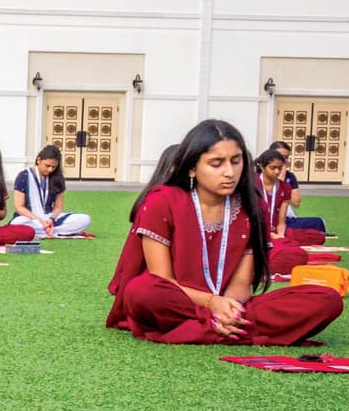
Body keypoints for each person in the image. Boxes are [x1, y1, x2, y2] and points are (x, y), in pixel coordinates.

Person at [107, 119, 340, 345]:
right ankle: (226, 329)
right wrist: (211, 303)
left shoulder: (251, 207)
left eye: (236, 161)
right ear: (192, 169)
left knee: (327, 300)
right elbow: (161, 279)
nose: (229, 172)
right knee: (142, 292)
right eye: (216, 164)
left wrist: (227, 309)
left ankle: (213, 328)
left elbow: (241, 285)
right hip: (178, 300)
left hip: (231, 305)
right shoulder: (162, 201)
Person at [255, 147, 325, 277]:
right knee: (279, 255)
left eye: (279, 168)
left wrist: (280, 235)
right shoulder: (251, 185)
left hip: (276, 233)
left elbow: (281, 220)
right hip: (255, 233)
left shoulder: (284, 187)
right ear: (262, 167)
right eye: (272, 168)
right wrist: (269, 235)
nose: (276, 171)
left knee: (300, 252)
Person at [12, 145, 93, 238]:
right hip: (29, 218)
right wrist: (39, 220)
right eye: (47, 166)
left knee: (85, 219)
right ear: (39, 160)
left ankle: (44, 231)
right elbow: (19, 207)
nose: (50, 169)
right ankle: (51, 231)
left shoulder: (57, 178)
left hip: (50, 217)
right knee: (17, 223)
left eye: (54, 167)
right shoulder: (23, 176)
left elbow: (58, 207)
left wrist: (51, 219)